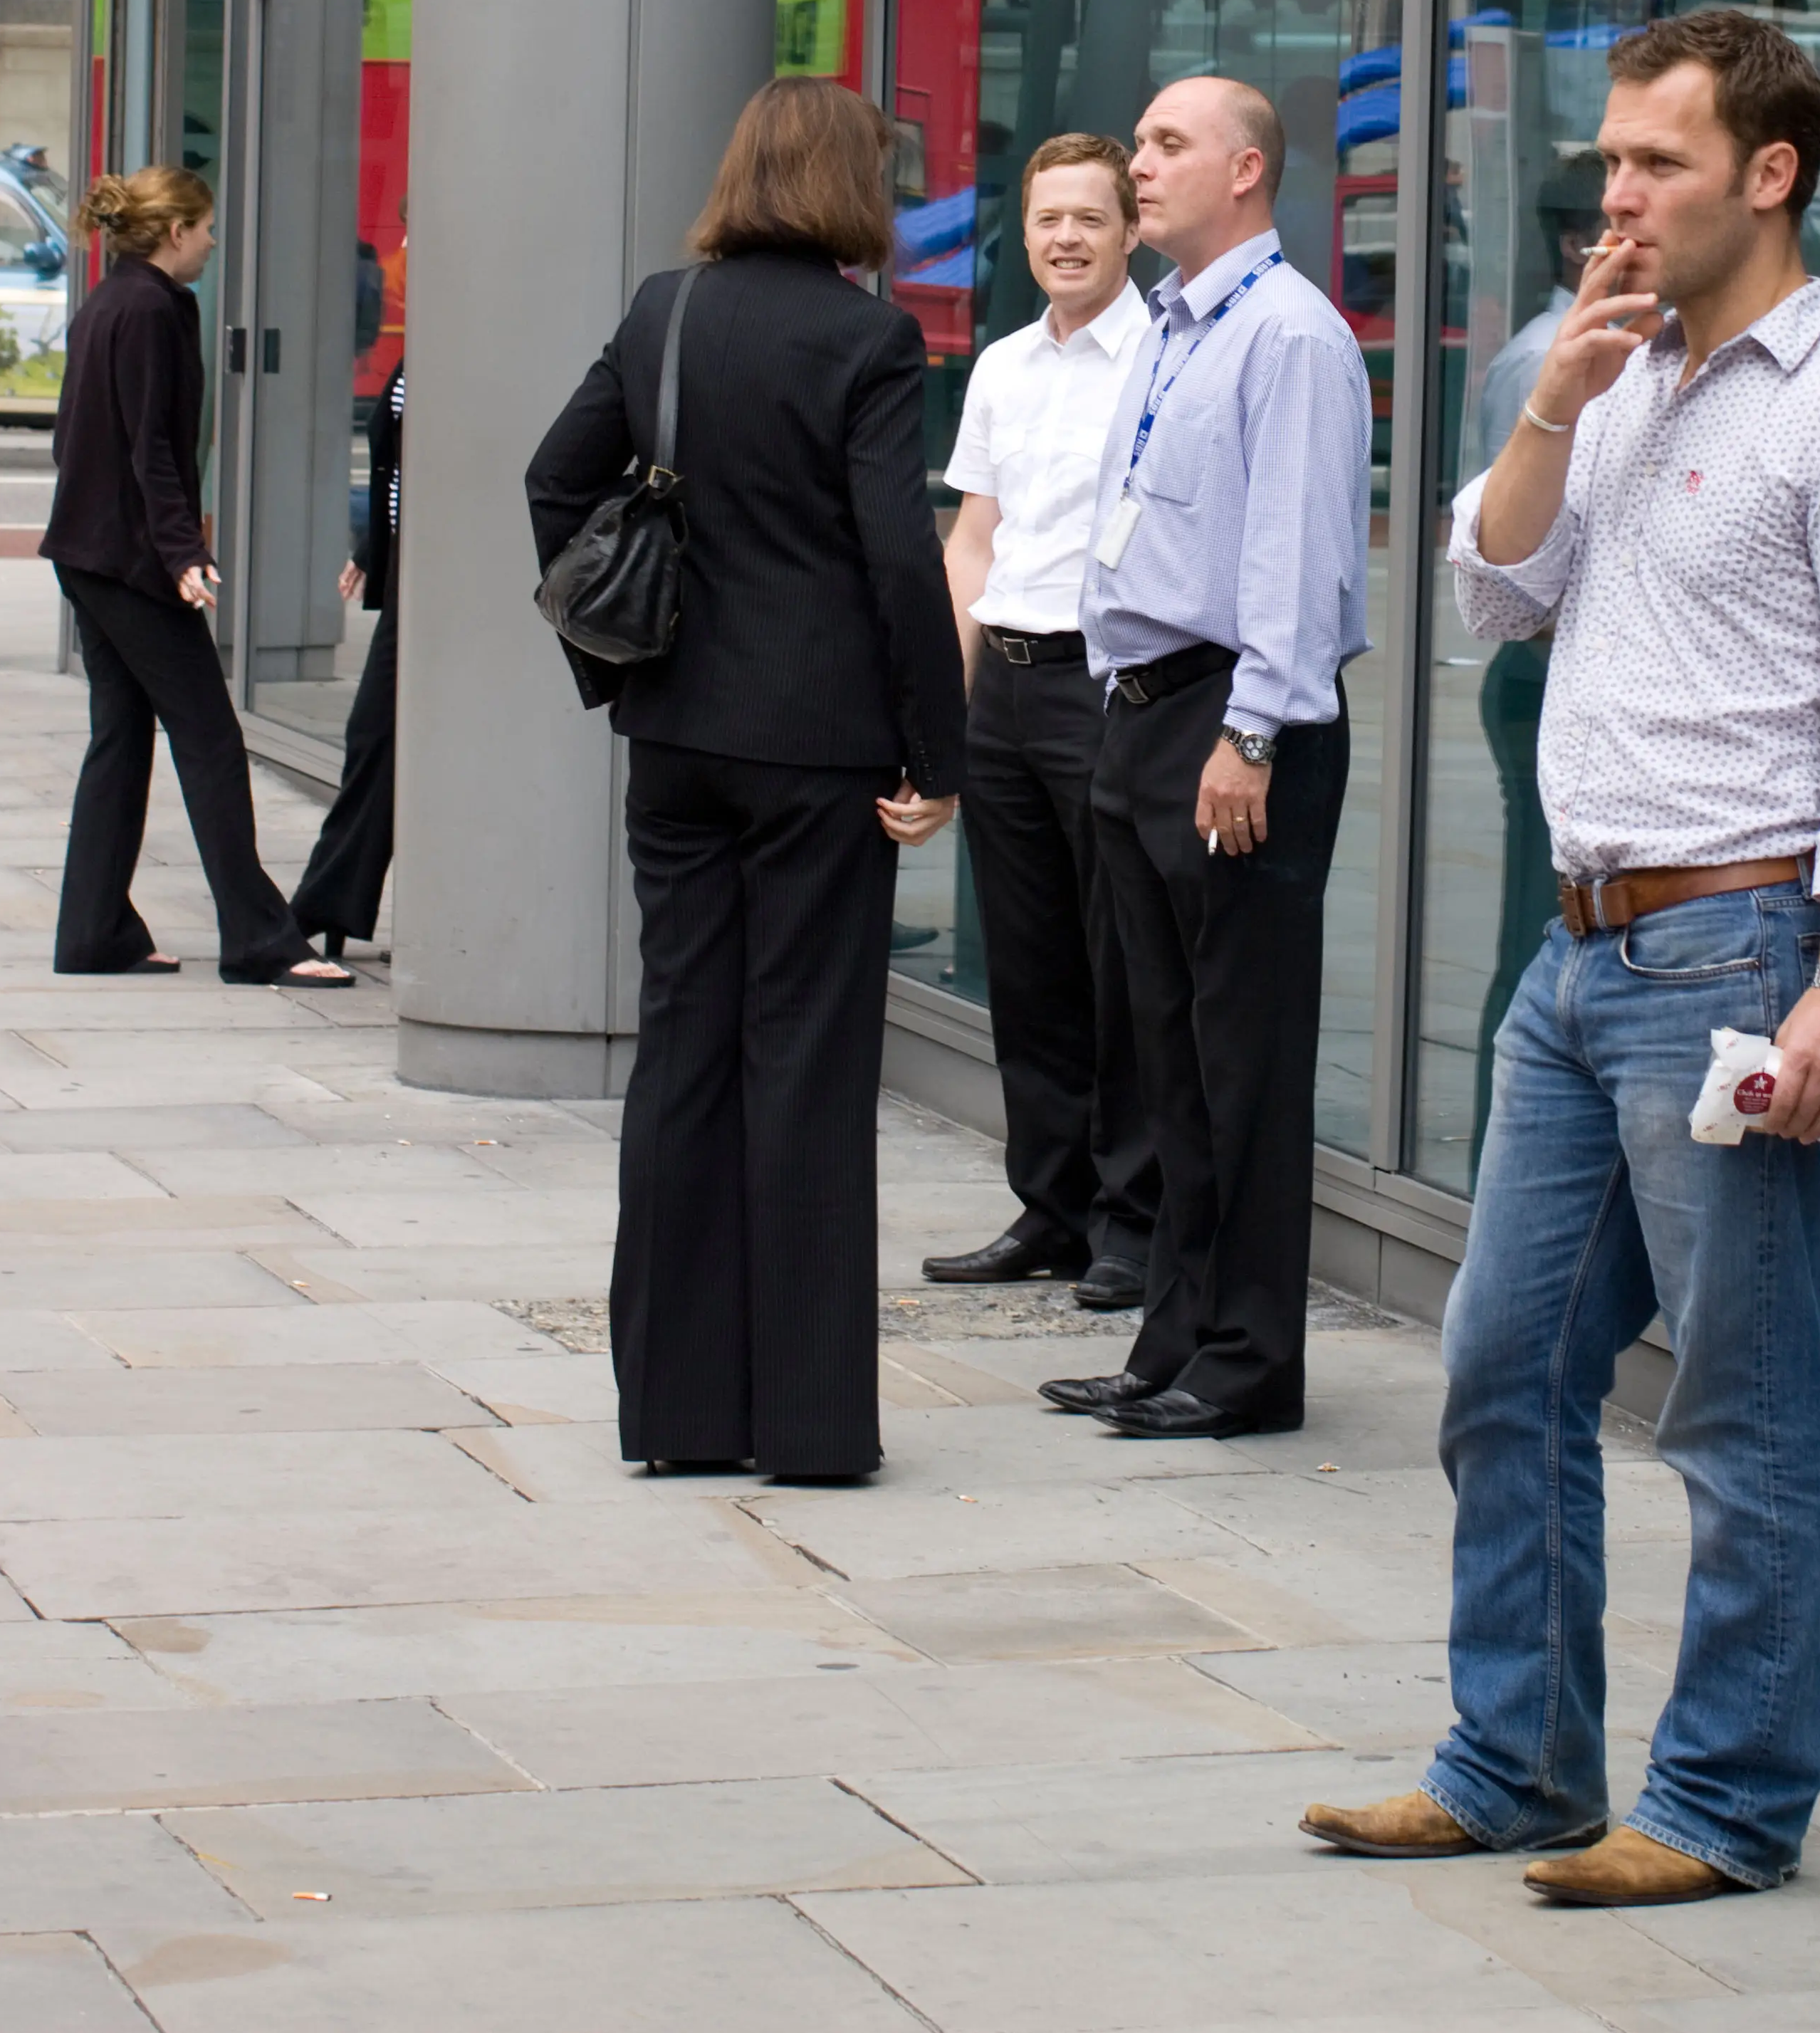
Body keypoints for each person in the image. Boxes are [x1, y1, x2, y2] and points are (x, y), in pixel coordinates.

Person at [1302, 7, 1820, 1903]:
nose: (1612, 196)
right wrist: (1549, 404)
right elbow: (1488, 591)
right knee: (1499, 1368)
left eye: (1651, 163)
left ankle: (1727, 1806)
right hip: (1574, 959)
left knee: (1739, 1406)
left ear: (1768, 174)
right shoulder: (1622, 376)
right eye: (1605, 162)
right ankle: (1511, 1764)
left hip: (1738, 953)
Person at [526, 78, 968, 1483]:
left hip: (677, 743)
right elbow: (899, 557)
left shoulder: (664, 312)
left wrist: (622, 671)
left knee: (684, 1054)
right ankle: (811, 1425)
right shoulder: (868, 338)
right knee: (807, 1068)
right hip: (819, 753)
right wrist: (933, 751)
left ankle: (674, 1415)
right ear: (850, 189)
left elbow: (554, 480)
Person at [1040, 75, 1371, 1443]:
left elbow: (1297, 559)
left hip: (1238, 723)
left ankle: (1247, 1362)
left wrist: (1249, 734)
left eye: (1167, 144)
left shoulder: (1287, 335)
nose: (1139, 164)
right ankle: (1172, 1333)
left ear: (1246, 172)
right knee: (1165, 1055)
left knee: (1240, 1060)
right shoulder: (1177, 327)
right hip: (1147, 711)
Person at [920, 133, 1159, 1308]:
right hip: (1001, 688)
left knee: (1120, 965)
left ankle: (1130, 1220)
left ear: (1129, 232)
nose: (1063, 237)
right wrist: (942, 709)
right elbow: (973, 541)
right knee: (1027, 967)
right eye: (1045, 219)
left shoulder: (1165, 357)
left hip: (1105, 687)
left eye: (1087, 218)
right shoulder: (1003, 365)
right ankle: (1050, 1206)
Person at [43, 168, 348, 990]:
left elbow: (76, 439)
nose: (214, 240)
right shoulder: (146, 309)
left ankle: (94, 932)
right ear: (173, 230)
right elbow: (151, 447)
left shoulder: (114, 301)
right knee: (211, 740)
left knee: (121, 738)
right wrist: (182, 554)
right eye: (206, 226)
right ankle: (260, 941)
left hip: (91, 552)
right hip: (131, 562)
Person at [1468, 149, 1607, 1176]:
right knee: (1536, 928)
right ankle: (1500, 1158)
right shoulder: (1548, 357)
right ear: (1576, 243)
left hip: (1565, 667)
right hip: (1543, 668)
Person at [291, 352, 404, 959]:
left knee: (382, 738)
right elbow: (398, 469)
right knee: (375, 739)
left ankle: (330, 903)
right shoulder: (427, 345)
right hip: (411, 575)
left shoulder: (463, 342)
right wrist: (372, 548)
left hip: (447, 583)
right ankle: (330, 902)